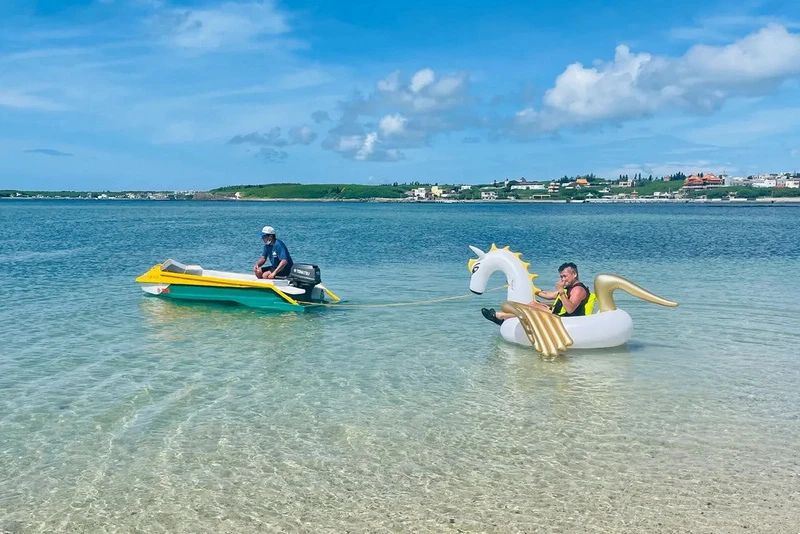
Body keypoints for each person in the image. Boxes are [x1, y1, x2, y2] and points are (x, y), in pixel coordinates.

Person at [481, 262, 592, 325]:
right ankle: (504, 317)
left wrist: (561, 291)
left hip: (568, 321)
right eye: (561, 276)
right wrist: (533, 288)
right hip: (560, 316)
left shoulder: (578, 290)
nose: (562, 279)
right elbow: (549, 295)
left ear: (574, 274)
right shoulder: (568, 287)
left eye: (565, 276)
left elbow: (570, 309)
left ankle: (502, 316)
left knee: (531, 307)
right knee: (533, 303)